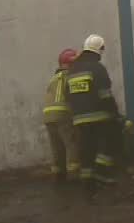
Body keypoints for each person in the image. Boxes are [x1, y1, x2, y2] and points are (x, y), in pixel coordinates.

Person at [66, 34, 122, 195]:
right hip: (98, 115)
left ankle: (87, 183)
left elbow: (67, 94)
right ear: (99, 50)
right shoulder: (97, 68)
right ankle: (102, 173)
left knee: (86, 149)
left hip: (78, 118)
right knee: (113, 138)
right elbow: (105, 95)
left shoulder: (72, 69)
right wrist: (115, 114)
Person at [42, 48, 81, 186]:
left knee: (56, 147)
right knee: (72, 145)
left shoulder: (53, 78)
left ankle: (58, 176)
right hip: (63, 116)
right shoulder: (70, 77)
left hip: (48, 117)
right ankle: (74, 176)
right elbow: (75, 98)